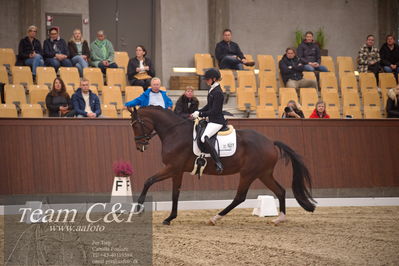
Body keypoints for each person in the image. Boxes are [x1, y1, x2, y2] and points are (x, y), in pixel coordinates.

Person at [191, 68, 226, 173]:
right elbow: (208, 106)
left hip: (217, 121)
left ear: (214, 79)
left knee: (204, 138)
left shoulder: (218, 92)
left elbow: (215, 111)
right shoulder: (212, 89)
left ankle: (218, 163)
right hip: (211, 120)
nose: (206, 81)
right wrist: (198, 111)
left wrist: (201, 114)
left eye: (208, 79)